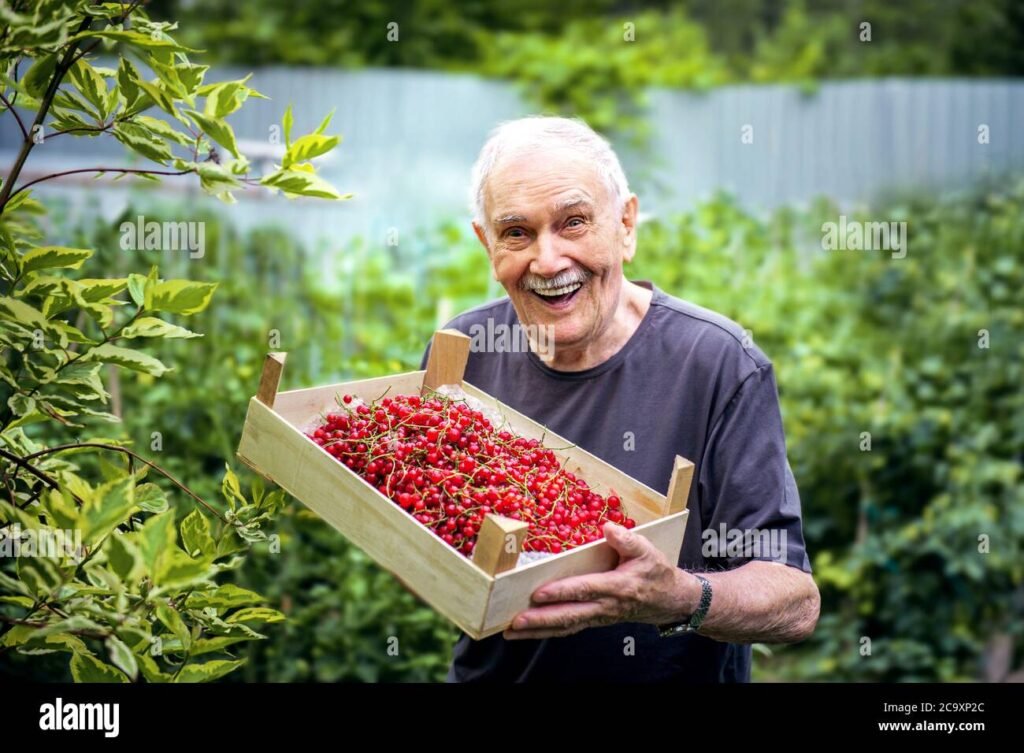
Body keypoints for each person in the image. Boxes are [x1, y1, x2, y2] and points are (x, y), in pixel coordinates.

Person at [420, 115, 820, 682]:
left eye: (574, 222)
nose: (548, 261)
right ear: (488, 245)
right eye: (516, 233)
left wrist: (678, 596)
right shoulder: (464, 352)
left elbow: (794, 600)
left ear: (626, 226)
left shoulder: (718, 364)